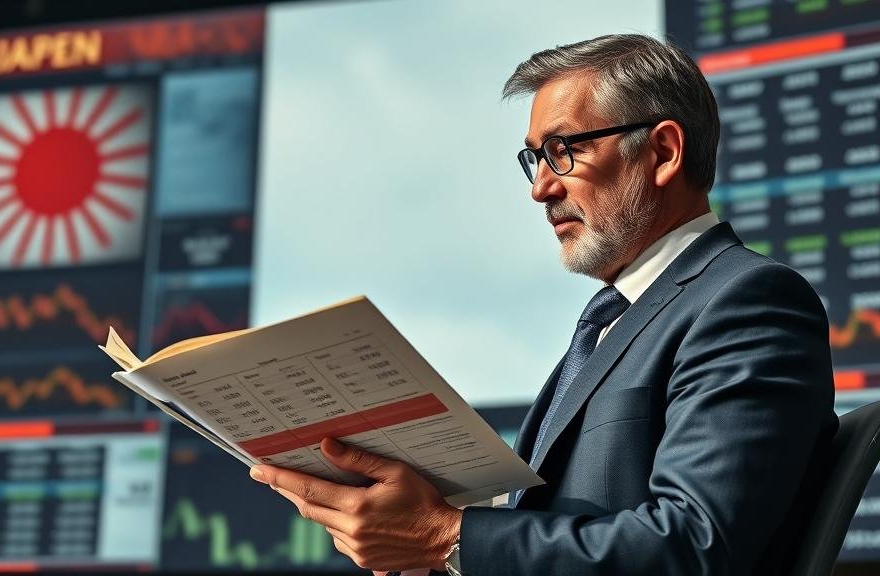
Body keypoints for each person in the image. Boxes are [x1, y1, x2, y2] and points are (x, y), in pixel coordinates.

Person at [249, 34, 838, 575]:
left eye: (564, 151)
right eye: (535, 158)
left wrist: (446, 536)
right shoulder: (611, 321)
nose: (541, 188)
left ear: (662, 151)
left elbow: (694, 545)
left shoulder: (746, 302)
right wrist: (421, 554)